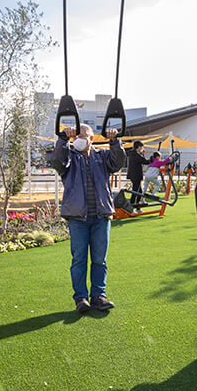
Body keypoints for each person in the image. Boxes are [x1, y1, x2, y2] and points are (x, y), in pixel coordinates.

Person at [50, 124, 125, 313]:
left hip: (101, 216)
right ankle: (81, 298)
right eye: (76, 136)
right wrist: (63, 139)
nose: (78, 139)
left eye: (82, 136)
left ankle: (99, 296)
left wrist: (114, 141)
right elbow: (57, 162)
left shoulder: (102, 156)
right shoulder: (69, 157)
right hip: (78, 218)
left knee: (100, 259)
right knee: (79, 259)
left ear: (91, 139)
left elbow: (118, 162)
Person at [125, 140, 152, 207]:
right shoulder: (135, 154)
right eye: (141, 147)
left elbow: (142, 160)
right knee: (136, 191)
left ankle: (137, 206)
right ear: (138, 147)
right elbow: (144, 161)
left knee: (139, 191)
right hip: (135, 175)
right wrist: (152, 159)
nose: (142, 148)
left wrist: (143, 154)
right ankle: (132, 205)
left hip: (134, 175)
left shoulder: (134, 153)